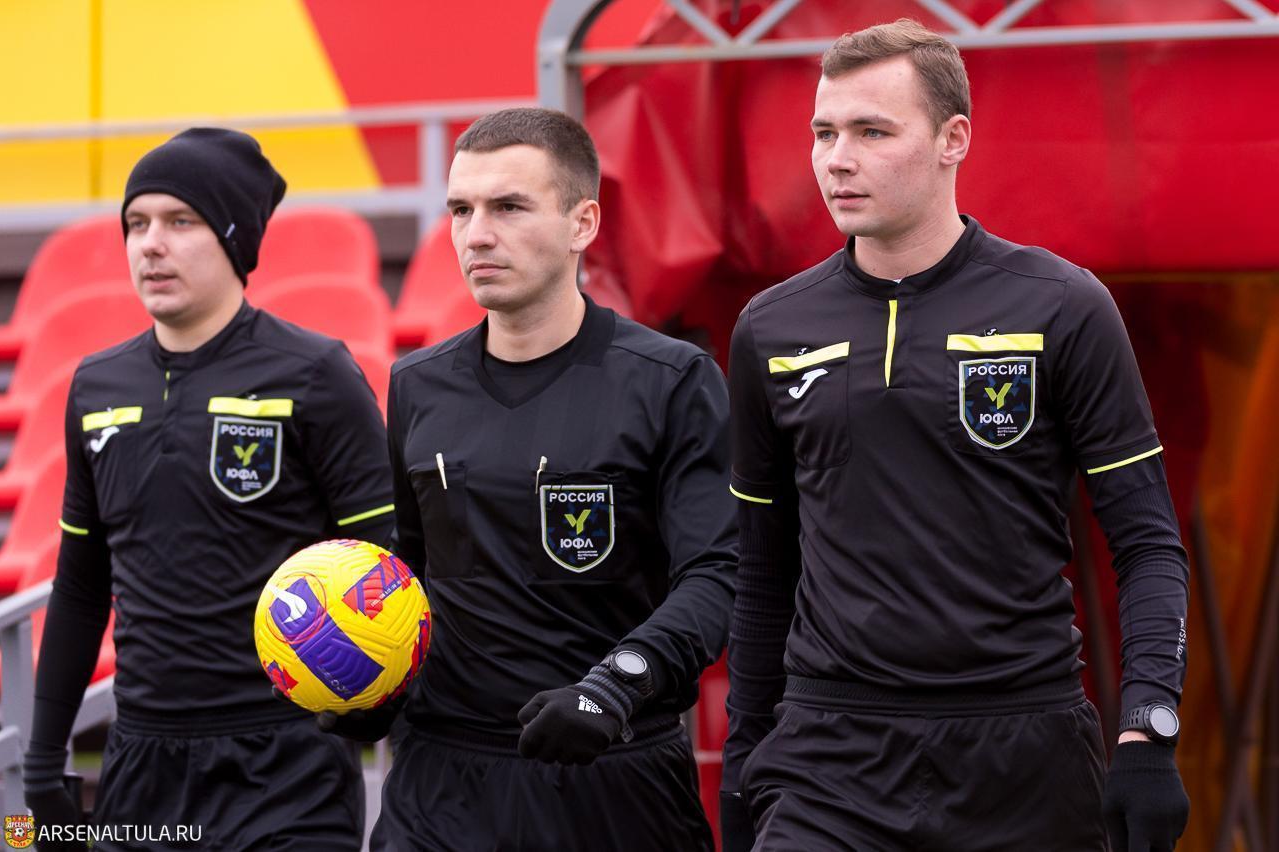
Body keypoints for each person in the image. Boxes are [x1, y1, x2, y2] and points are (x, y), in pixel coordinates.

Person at [720, 19, 1190, 852]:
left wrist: (1148, 726)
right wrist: (743, 760)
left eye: (872, 132)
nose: (837, 159)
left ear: (953, 139)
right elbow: (761, 572)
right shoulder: (771, 326)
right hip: (830, 757)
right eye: (824, 133)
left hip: (1023, 748)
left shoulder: (1062, 305)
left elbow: (1148, 542)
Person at [357, 108, 735, 852]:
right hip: (440, 785)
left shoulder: (670, 380)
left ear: (582, 223)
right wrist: (370, 679)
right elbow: (410, 570)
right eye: (461, 210)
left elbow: (716, 574)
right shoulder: (416, 384)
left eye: (508, 207)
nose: (476, 234)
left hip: (611, 773)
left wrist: (616, 686)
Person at [22, 128, 395, 851]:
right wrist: (42, 761)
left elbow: (389, 565)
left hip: (286, 767)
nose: (150, 245)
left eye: (180, 221)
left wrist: (370, 706)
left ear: (233, 240)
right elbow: (80, 588)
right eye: (136, 224)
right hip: (140, 766)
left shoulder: (316, 374)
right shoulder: (95, 386)